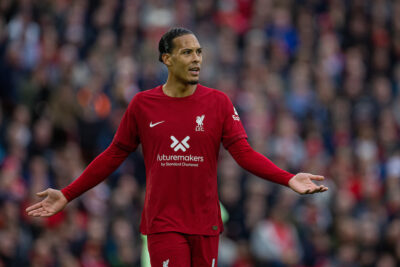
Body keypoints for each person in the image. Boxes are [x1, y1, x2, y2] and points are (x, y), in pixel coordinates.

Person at [26, 27, 328, 267]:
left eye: (199, 52)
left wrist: (287, 178)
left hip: (206, 224)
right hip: (164, 224)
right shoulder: (143, 105)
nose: (196, 59)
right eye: (187, 52)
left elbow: (244, 154)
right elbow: (113, 155)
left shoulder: (219, 102)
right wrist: (67, 193)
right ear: (166, 59)